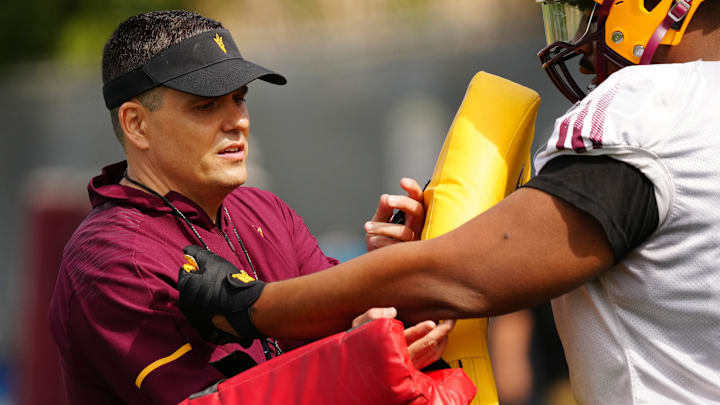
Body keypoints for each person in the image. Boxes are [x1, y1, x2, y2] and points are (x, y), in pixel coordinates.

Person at [180, 1, 720, 403]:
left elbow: (461, 276)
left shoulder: (653, 107)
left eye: (587, 11)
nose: (581, 41)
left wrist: (252, 305)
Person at [48, 10, 452, 405]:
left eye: (238, 99)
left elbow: (343, 325)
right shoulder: (110, 259)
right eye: (205, 105)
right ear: (136, 124)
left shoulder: (262, 209)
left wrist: (384, 280)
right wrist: (355, 355)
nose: (236, 121)